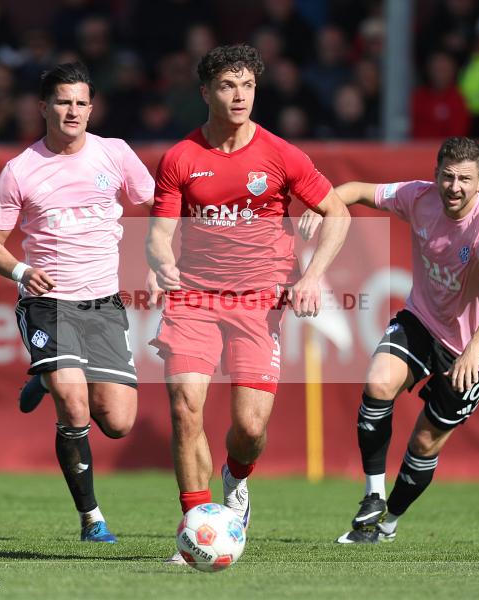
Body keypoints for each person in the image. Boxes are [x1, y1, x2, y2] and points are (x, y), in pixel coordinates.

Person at [146, 44, 350, 562]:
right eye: (227, 86)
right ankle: (194, 526)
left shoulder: (282, 154)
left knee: (250, 429)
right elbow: (159, 232)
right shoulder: (181, 157)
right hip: (193, 296)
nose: (239, 96)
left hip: (261, 302)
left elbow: (337, 214)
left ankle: (236, 479)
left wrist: (312, 277)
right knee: (184, 408)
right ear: (205, 92)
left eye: (247, 86)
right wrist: (160, 262)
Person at [299, 136, 479, 544]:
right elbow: (359, 191)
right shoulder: (418, 196)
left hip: (473, 350)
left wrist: (472, 351)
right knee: (378, 383)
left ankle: (388, 522)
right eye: (448, 177)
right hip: (422, 321)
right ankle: (373, 496)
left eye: (465, 179)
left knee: (425, 441)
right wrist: (321, 204)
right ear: (436, 175)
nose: (455, 187)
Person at [0, 62, 155, 543]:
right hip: (49, 302)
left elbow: (157, 205)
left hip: (103, 303)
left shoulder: (115, 154)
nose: (72, 110)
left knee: (117, 422)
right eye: (62, 101)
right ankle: (91, 518)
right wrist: (20, 270)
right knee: (74, 407)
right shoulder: (21, 170)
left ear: (91, 108)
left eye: (80, 102)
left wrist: (162, 262)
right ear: (43, 108)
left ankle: (45, 374)